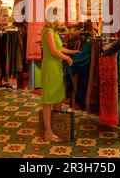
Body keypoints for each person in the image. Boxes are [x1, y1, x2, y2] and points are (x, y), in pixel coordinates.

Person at [41, 8, 78, 142]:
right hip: (50, 67)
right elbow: (53, 52)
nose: (59, 19)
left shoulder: (54, 32)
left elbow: (60, 49)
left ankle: (55, 126)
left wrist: (72, 52)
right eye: (58, 17)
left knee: (58, 96)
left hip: (56, 68)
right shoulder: (48, 31)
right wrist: (67, 59)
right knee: (48, 100)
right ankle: (48, 131)